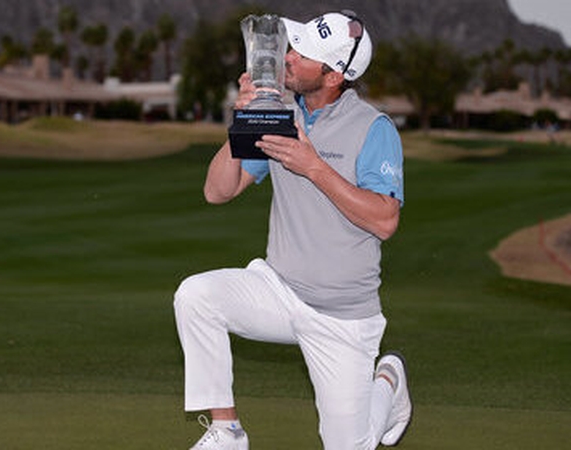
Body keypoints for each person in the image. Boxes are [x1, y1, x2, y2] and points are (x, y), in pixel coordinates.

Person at [174, 11, 410, 450]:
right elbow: (217, 192)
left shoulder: (373, 129)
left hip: (343, 315)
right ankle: (227, 432)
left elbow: (385, 219)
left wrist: (313, 166)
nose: (289, 57)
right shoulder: (278, 115)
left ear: (335, 75)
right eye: (293, 45)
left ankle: (388, 384)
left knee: (351, 444)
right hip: (279, 290)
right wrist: (239, 123)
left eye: (303, 54)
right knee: (195, 296)